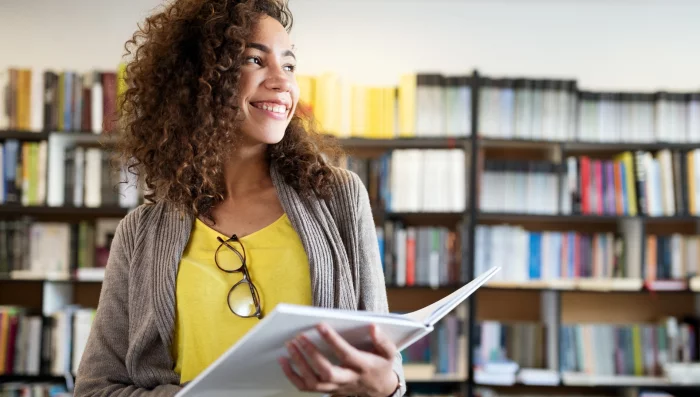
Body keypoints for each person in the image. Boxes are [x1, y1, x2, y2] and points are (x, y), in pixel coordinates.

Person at [73, 0, 406, 396]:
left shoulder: (338, 198)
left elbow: (384, 367)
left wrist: (386, 386)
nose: (282, 82)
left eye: (289, 65)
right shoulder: (140, 233)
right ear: (199, 79)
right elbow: (95, 389)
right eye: (254, 60)